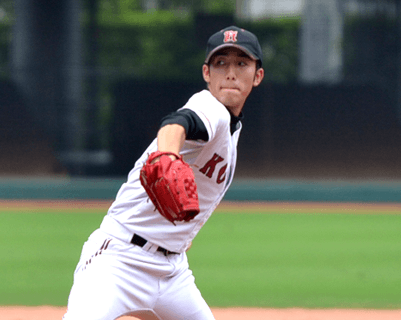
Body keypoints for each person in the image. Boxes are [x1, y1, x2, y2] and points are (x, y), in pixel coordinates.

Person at [63, 26, 265, 320]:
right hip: (118, 260)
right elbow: (177, 123)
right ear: (207, 73)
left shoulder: (233, 130)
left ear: (257, 76)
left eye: (241, 63)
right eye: (221, 63)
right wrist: (168, 155)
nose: (230, 73)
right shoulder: (211, 108)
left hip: (172, 273)